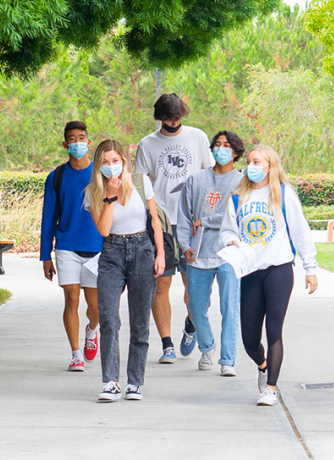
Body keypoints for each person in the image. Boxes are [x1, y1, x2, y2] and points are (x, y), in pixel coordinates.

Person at [218, 145, 319, 407]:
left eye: (257, 161)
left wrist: (311, 269)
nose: (251, 166)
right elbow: (226, 232)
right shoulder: (238, 198)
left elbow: (301, 232)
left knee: (274, 330)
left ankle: (271, 388)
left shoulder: (284, 195)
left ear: (269, 166)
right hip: (250, 272)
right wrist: (231, 241)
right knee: (250, 339)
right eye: (249, 161)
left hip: (279, 271)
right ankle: (263, 366)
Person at [133, 93, 213, 364]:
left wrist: (206, 212)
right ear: (160, 117)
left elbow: (210, 176)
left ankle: (191, 323)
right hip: (163, 223)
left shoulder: (198, 137)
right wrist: (151, 217)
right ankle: (167, 345)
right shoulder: (148, 144)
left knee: (194, 284)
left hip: (193, 222)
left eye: (177, 116)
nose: (173, 120)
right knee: (162, 284)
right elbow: (141, 185)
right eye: (168, 117)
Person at [86, 139, 167, 402]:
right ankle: (110, 381)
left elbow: (154, 220)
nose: (111, 167)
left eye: (115, 161)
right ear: (99, 165)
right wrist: (110, 195)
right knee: (109, 317)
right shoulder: (93, 191)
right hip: (112, 253)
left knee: (140, 320)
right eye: (106, 162)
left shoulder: (141, 183)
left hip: (142, 249)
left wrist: (160, 254)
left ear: (124, 160)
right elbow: (104, 229)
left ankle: (134, 382)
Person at [176, 131, 246, 377]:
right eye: (217, 145)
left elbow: (236, 217)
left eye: (227, 145)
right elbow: (184, 216)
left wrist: (205, 220)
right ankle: (207, 346)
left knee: (230, 308)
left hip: (229, 253)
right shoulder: (195, 180)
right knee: (195, 308)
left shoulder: (242, 182)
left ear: (236, 152)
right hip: (198, 253)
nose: (221, 149)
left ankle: (227, 360)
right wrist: (185, 245)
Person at [40, 121, 103, 373]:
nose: (77, 143)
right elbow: (48, 217)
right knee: (71, 299)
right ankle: (76, 354)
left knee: (95, 306)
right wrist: (46, 255)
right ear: (65, 144)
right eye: (72, 139)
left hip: (98, 248)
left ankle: (92, 330)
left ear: (88, 142)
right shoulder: (57, 177)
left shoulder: (101, 173)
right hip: (67, 246)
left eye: (82, 138)